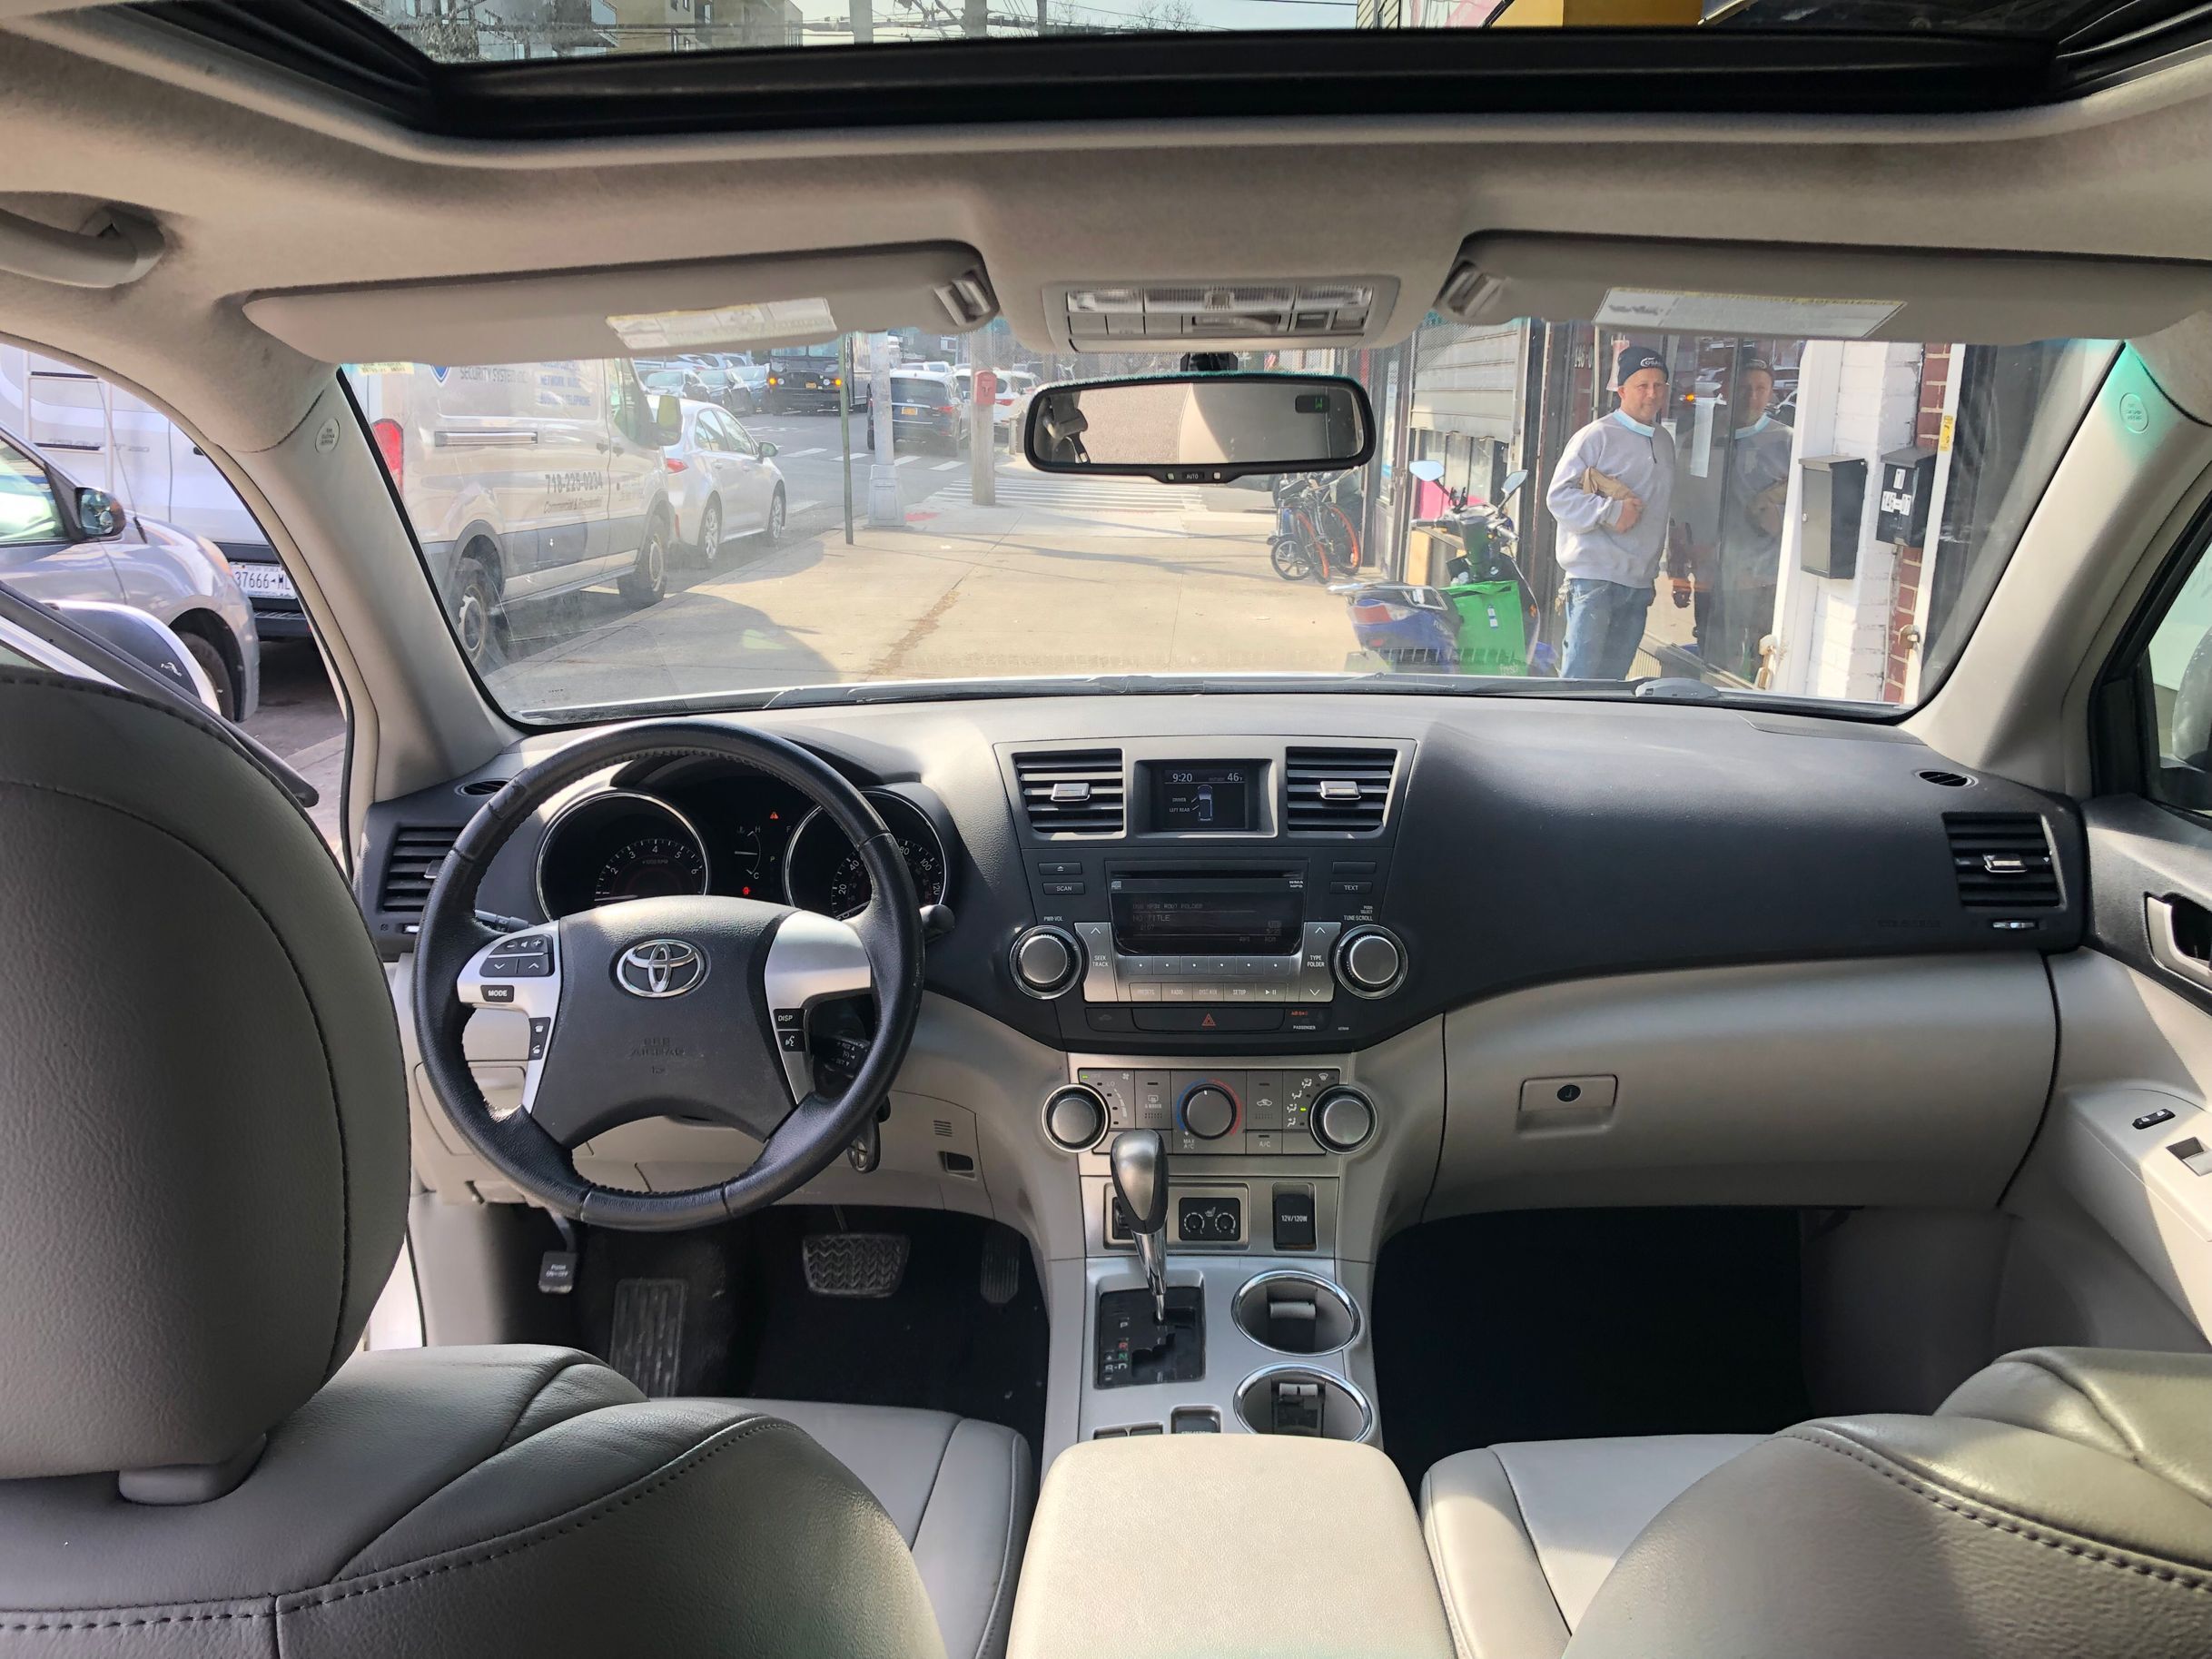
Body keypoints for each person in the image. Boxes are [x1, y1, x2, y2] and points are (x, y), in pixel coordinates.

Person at [1546, 344, 1678, 679]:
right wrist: (1610, 511)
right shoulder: (1596, 436)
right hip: (1594, 579)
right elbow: (1558, 497)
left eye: (1659, 385)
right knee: (1579, 682)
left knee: (1614, 685)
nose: (1652, 394)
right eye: (1642, 385)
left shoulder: (1664, 441)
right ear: (1622, 391)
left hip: (1639, 582)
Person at [1669, 350, 1793, 679]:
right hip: (1711, 575)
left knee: (1756, 663)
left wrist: (1775, 514)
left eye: (1760, 388)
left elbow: (1804, 513)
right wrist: (1678, 567)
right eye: (1743, 388)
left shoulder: (1786, 442)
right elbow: (1682, 505)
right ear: (1726, 388)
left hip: (1760, 578)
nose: (1751, 397)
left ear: (1771, 392)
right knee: (1713, 659)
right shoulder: (1703, 438)